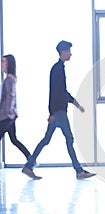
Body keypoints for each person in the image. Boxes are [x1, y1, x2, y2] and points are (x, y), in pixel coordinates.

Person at [22, 40, 96, 180]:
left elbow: (62, 92)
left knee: (46, 140)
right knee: (69, 138)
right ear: (63, 52)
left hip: (57, 111)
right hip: (59, 112)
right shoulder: (58, 69)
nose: (71, 54)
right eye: (69, 51)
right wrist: (52, 113)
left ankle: (28, 166)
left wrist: (76, 104)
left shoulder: (59, 68)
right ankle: (79, 171)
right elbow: (56, 92)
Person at [0, 54, 33, 162]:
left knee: (14, 139)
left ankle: (31, 159)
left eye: (4, 61)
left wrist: (9, 112)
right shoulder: (10, 78)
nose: (1, 64)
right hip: (9, 116)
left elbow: (11, 96)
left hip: (6, 116)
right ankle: (31, 159)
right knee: (14, 139)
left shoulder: (8, 79)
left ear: (9, 64)